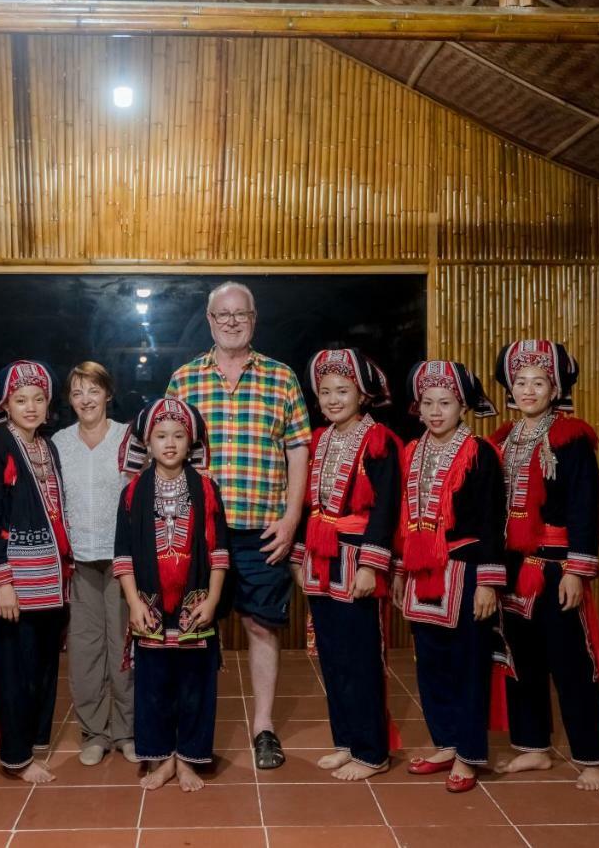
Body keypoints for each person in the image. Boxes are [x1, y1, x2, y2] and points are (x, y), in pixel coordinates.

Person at [163, 281, 311, 769]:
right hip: (199, 531)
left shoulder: (281, 378)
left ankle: (263, 727)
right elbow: (167, 453)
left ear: (253, 319)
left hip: (263, 530)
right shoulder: (184, 380)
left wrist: (292, 518)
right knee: (195, 627)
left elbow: (297, 450)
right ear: (209, 321)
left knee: (261, 625)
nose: (231, 321)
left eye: (240, 314)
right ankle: (192, 729)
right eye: (222, 315)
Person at [490, 340, 599, 791]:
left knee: (571, 663)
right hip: (511, 567)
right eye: (520, 382)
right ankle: (533, 746)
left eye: (538, 382)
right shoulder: (503, 440)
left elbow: (586, 508)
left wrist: (575, 570)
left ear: (555, 388)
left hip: (554, 566)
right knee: (520, 660)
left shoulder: (571, 439)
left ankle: (592, 755)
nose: (528, 390)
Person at [393, 360, 507, 793]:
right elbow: (405, 521)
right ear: (417, 407)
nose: (435, 411)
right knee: (431, 664)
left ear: (463, 406)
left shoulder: (479, 453)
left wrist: (488, 583)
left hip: (466, 570)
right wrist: (402, 572)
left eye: (445, 402)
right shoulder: (412, 451)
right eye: (427, 402)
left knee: (468, 665)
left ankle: (469, 753)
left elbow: (492, 521)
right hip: (423, 571)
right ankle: (445, 742)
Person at [291, 349, 400, 781]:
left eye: (343, 390)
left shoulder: (379, 441)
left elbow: (386, 508)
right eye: (325, 391)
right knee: (332, 657)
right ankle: (347, 741)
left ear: (363, 393)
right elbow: (305, 505)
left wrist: (371, 566)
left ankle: (373, 751)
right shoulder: (319, 440)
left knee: (362, 658)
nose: (333, 399)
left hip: (357, 559)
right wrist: (300, 558)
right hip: (321, 559)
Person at [114, 398, 230, 791]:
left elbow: (219, 552)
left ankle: (188, 759)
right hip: (148, 607)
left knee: (195, 686)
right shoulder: (133, 493)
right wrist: (132, 602)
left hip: (195, 604)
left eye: (178, 436)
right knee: (153, 687)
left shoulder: (207, 490)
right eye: (161, 436)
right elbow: (123, 554)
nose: (169, 443)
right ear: (147, 443)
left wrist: (213, 600)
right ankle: (161, 759)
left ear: (190, 441)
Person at [0, 360, 72, 784]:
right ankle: (15, 757)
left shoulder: (46, 446)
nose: (30, 407)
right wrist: (3, 583)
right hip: (17, 579)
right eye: (20, 400)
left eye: (38, 399)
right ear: (5, 404)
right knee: (15, 668)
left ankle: (34, 743)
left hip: (51, 578)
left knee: (44, 666)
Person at [52, 362, 136, 766]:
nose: (86, 399)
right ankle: (95, 733)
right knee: (85, 649)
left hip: (123, 561)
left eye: (93, 390)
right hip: (79, 560)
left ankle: (128, 730)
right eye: (77, 392)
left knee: (123, 644)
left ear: (108, 393)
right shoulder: (59, 443)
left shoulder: (128, 438)